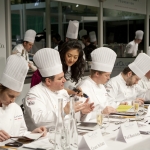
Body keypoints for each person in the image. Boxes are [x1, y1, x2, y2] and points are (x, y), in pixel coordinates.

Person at [24, 48, 94, 131]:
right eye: (60, 78)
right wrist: (63, 111)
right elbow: (39, 121)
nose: (64, 80)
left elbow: (69, 118)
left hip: (65, 134)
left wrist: (81, 112)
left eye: (63, 77)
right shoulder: (34, 94)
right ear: (48, 81)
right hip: (43, 139)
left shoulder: (62, 92)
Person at [0, 55, 47, 142]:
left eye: (16, 97)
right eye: (10, 96)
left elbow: (20, 133)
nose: (13, 101)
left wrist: (33, 134)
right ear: (1, 89)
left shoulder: (16, 108)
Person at [78, 47, 117, 121]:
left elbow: (106, 104)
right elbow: (81, 117)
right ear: (97, 74)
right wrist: (102, 112)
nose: (109, 78)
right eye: (107, 75)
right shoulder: (83, 88)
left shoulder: (101, 85)